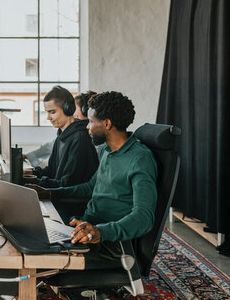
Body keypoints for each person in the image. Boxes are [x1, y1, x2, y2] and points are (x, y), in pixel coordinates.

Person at [27, 91, 158, 276]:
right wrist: (50, 193)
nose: (87, 127)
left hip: (109, 244)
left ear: (107, 123)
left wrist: (100, 232)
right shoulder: (107, 150)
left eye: (90, 121)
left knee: (29, 254)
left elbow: (144, 217)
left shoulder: (140, 159)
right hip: (87, 227)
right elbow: (90, 187)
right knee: (30, 229)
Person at [24, 86, 99, 188]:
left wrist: (37, 182)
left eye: (52, 112)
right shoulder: (61, 135)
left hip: (69, 201)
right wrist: (30, 173)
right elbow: (51, 170)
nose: (48, 117)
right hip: (59, 195)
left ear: (68, 109)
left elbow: (68, 183)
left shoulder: (80, 138)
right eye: (47, 112)